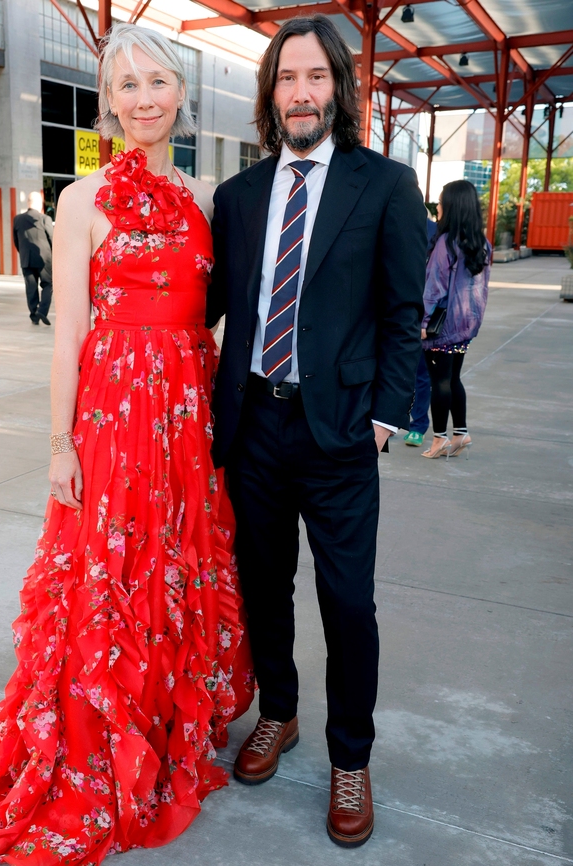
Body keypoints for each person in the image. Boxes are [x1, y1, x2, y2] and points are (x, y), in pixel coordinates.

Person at [0, 23, 253, 866]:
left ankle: (168, 717)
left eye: (157, 83)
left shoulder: (213, 199)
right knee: (111, 568)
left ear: (182, 94)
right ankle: (103, 727)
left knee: (177, 562)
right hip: (113, 411)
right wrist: (59, 442)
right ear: (108, 105)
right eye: (126, 87)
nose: (143, 100)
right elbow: (66, 330)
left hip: (188, 407)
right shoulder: (80, 200)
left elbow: (218, 313)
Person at [207, 15, 426, 848]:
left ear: (339, 86)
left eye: (315, 77)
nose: (300, 92)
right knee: (265, 590)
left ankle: (351, 757)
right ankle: (281, 714)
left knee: (346, 604)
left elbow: (407, 313)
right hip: (254, 426)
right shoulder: (239, 196)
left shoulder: (386, 187)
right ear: (270, 94)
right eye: (286, 78)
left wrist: (384, 419)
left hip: (339, 434)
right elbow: (208, 305)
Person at [421, 180, 491, 459]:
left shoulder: (446, 242)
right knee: (453, 378)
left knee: (439, 381)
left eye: (440, 201)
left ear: (452, 206)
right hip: (466, 325)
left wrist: (424, 323)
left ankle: (439, 440)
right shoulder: (481, 243)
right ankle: (460, 432)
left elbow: (434, 287)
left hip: (442, 326)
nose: (437, 206)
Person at [404, 215, 438, 447]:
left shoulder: (434, 232)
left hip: (417, 315)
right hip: (389, 309)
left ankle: (417, 425)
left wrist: (425, 321)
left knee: (419, 375)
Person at [13, 191, 54, 326]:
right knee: (48, 284)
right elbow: (52, 239)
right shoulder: (44, 219)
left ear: (28, 203)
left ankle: (33, 315)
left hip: (26, 258)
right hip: (44, 259)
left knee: (31, 287)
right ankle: (42, 310)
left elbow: (16, 240)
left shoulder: (17, 219)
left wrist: (23, 252)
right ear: (40, 203)